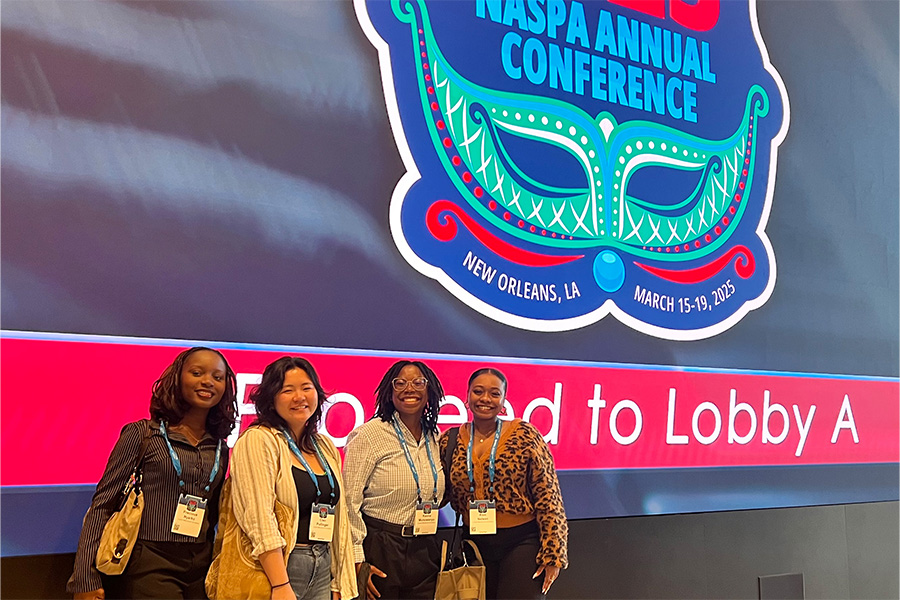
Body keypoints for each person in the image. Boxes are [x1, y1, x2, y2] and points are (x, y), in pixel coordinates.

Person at [68, 347, 238, 599]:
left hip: (200, 567)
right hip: (149, 561)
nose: (207, 381)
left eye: (217, 376)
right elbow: (102, 506)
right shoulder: (142, 434)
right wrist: (83, 577)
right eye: (197, 372)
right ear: (178, 378)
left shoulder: (220, 447)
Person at [230, 356, 357, 600]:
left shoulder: (324, 445)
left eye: (306, 388)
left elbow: (339, 518)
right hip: (279, 567)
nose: (299, 397)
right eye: (288, 390)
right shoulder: (259, 440)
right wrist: (280, 584)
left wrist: (339, 579)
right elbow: (259, 518)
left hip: (322, 563)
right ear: (271, 398)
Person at [440, 368, 568, 600]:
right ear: (467, 396)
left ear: (503, 400)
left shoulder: (524, 434)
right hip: (474, 542)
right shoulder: (450, 440)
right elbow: (441, 492)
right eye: (478, 392)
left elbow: (549, 496)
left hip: (521, 541)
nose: (485, 399)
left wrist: (554, 554)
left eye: (494, 393)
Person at [342, 360, 446, 600]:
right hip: (381, 546)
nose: (409, 389)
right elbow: (349, 502)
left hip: (424, 546)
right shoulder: (370, 434)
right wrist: (358, 560)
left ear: (429, 391)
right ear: (389, 393)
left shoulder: (435, 436)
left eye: (418, 382)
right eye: (400, 383)